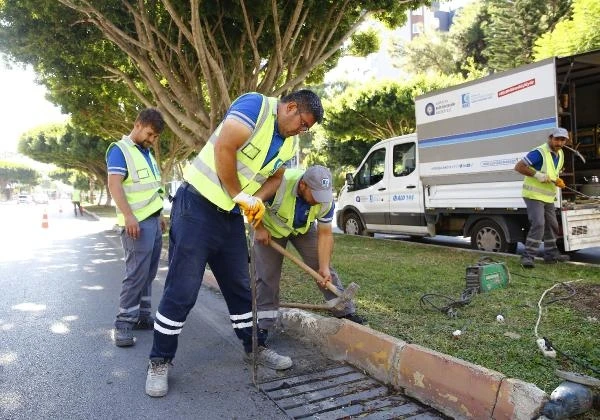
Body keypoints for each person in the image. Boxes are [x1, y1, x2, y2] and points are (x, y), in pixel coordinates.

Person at [145, 90, 324, 398]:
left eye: (307, 128)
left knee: (241, 287)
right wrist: (240, 194)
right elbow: (225, 148)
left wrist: (256, 200)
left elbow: (277, 177)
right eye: (303, 123)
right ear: (291, 107)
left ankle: (254, 347)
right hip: (196, 208)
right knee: (182, 289)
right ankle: (159, 361)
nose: (301, 131)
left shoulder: (290, 143)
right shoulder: (255, 106)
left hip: (229, 216)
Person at [251, 165, 365, 363]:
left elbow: (325, 234)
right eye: (315, 195)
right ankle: (262, 326)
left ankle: (345, 312)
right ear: (303, 185)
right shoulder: (280, 183)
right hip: (269, 229)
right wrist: (258, 227)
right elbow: (252, 203)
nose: (320, 200)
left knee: (325, 270)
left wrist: (324, 267)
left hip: (302, 228)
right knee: (267, 278)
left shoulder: (324, 200)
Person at [106, 108, 167, 347]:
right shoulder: (120, 150)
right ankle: (123, 324)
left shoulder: (146, 153)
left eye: (155, 137)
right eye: (150, 134)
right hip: (135, 225)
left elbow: (152, 188)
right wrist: (129, 216)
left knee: (149, 272)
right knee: (135, 274)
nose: (152, 140)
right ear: (138, 124)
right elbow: (114, 185)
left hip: (152, 221)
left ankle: (142, 316)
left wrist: (159, 213)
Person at [514, 127, 571, 268]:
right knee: (539, 224)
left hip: (548, 197)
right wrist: (537, 175)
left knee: (553, 225)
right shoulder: (539, 152)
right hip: (533, 195)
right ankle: (528, 257)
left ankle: (551, 255)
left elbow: (552, 172)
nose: (559, 142)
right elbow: (519, 167)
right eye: (557, 139)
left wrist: (557, 180)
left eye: (562, 140)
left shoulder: (561, 154)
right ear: (550, 138)